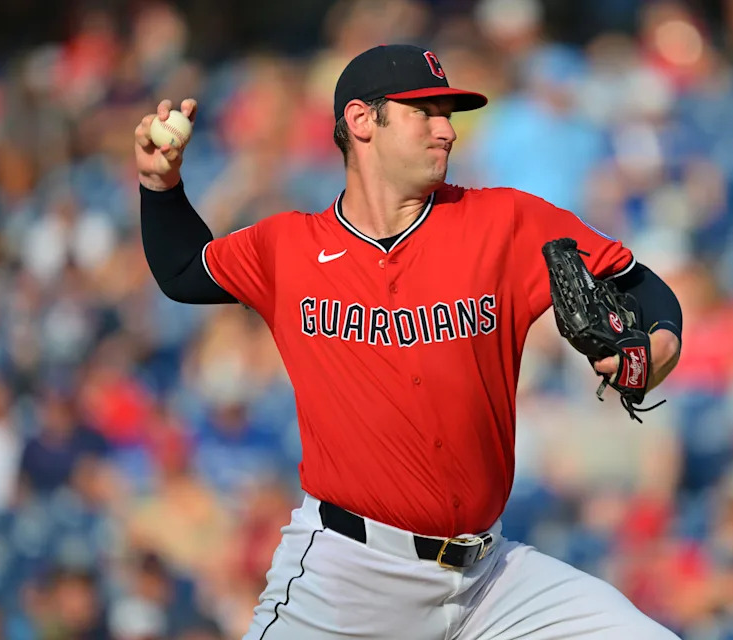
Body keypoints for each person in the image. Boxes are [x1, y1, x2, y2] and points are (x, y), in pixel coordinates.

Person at [134, 44, 683, 640]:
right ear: (361, 121)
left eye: (448, 113)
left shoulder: (506, 223)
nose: (448, 131)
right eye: (425, 112)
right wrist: (159, 187)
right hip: (349, 576)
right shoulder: (288, 248)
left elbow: (641, 288)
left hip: (491, 580)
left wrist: (654, 354)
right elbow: (184, 271)